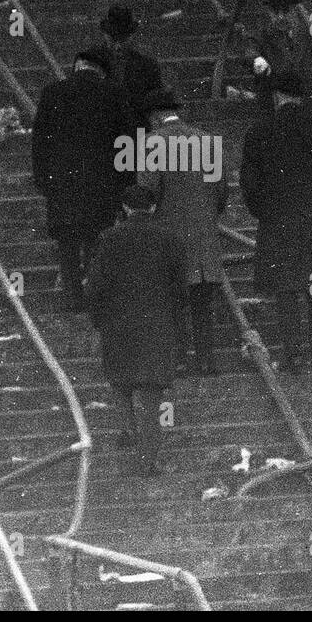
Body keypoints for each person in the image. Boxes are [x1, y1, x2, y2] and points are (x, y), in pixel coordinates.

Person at [240, 70, 312, 372]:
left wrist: (265, 211)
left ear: (277, 96)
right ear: (301, 96)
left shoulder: (260, 130)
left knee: (285, 288)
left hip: (278, 222)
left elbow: (249, 182)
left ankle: (292, 355)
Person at [85, 185, 190, 478]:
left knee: (121, 383)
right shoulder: (170, 239)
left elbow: (94, 287)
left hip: (118, 325)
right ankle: (147, 460)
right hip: (157, 325)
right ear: (154, 208)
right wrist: (178, 327)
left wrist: (98, 321)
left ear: (125, 208)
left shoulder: (109, 239)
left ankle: (127, 430)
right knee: (151, 395)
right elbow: (181, 290)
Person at [31, 45, 134, 310]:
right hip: (103, 185)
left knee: (67, 243)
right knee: (97, 239)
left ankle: (72, 298)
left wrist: (44, 181)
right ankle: (96, 295)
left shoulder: (52, 92)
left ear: (78, 65)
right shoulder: (115, 94)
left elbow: (40, 142)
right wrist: (126, 184)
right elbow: (126, 144)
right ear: (102, 70)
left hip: (62, 184)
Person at [138, 89, 228, 376]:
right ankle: (207, 360)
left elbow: (146, 194)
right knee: (203, 303)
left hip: (169, 236)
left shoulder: (150, 143)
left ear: (154, 115)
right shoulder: (207, 141)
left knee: (172, 302)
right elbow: (222, 190)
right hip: (204, 235)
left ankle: (177, 359)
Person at [244, 0, 312, 120]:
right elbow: (250, 48)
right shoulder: (263, 35)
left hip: (311, 111)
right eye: (275, 11)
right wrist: (256, 59)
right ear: (270, 12)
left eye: (286, 10)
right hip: (277, 113)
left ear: (295, 10)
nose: (280, 16)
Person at [98, 2, 163, 132]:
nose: (118, 46)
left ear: (131, 36)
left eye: (122, 39)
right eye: (113, 39)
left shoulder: (146, 65)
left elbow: (155, 103)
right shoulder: (93, 62)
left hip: (138, 131)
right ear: (105, 35)